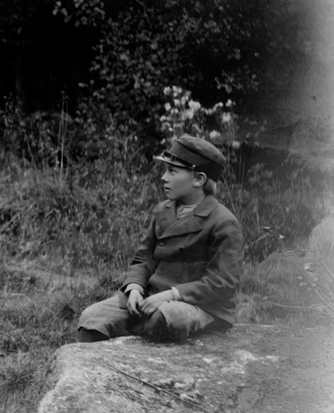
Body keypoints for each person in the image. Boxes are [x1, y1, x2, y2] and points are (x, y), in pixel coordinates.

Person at [76, 134, 244, 343]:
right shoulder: (163, 210)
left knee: (164, 319)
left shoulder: (223, 222)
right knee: (92, 318)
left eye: (172, 171)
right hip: (153, 295)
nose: (164, 177)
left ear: (199, 179)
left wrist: (171, 295)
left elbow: (222, 283)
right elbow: (144, 257)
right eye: (165, 170)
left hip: (201, 304)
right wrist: (135, 287)